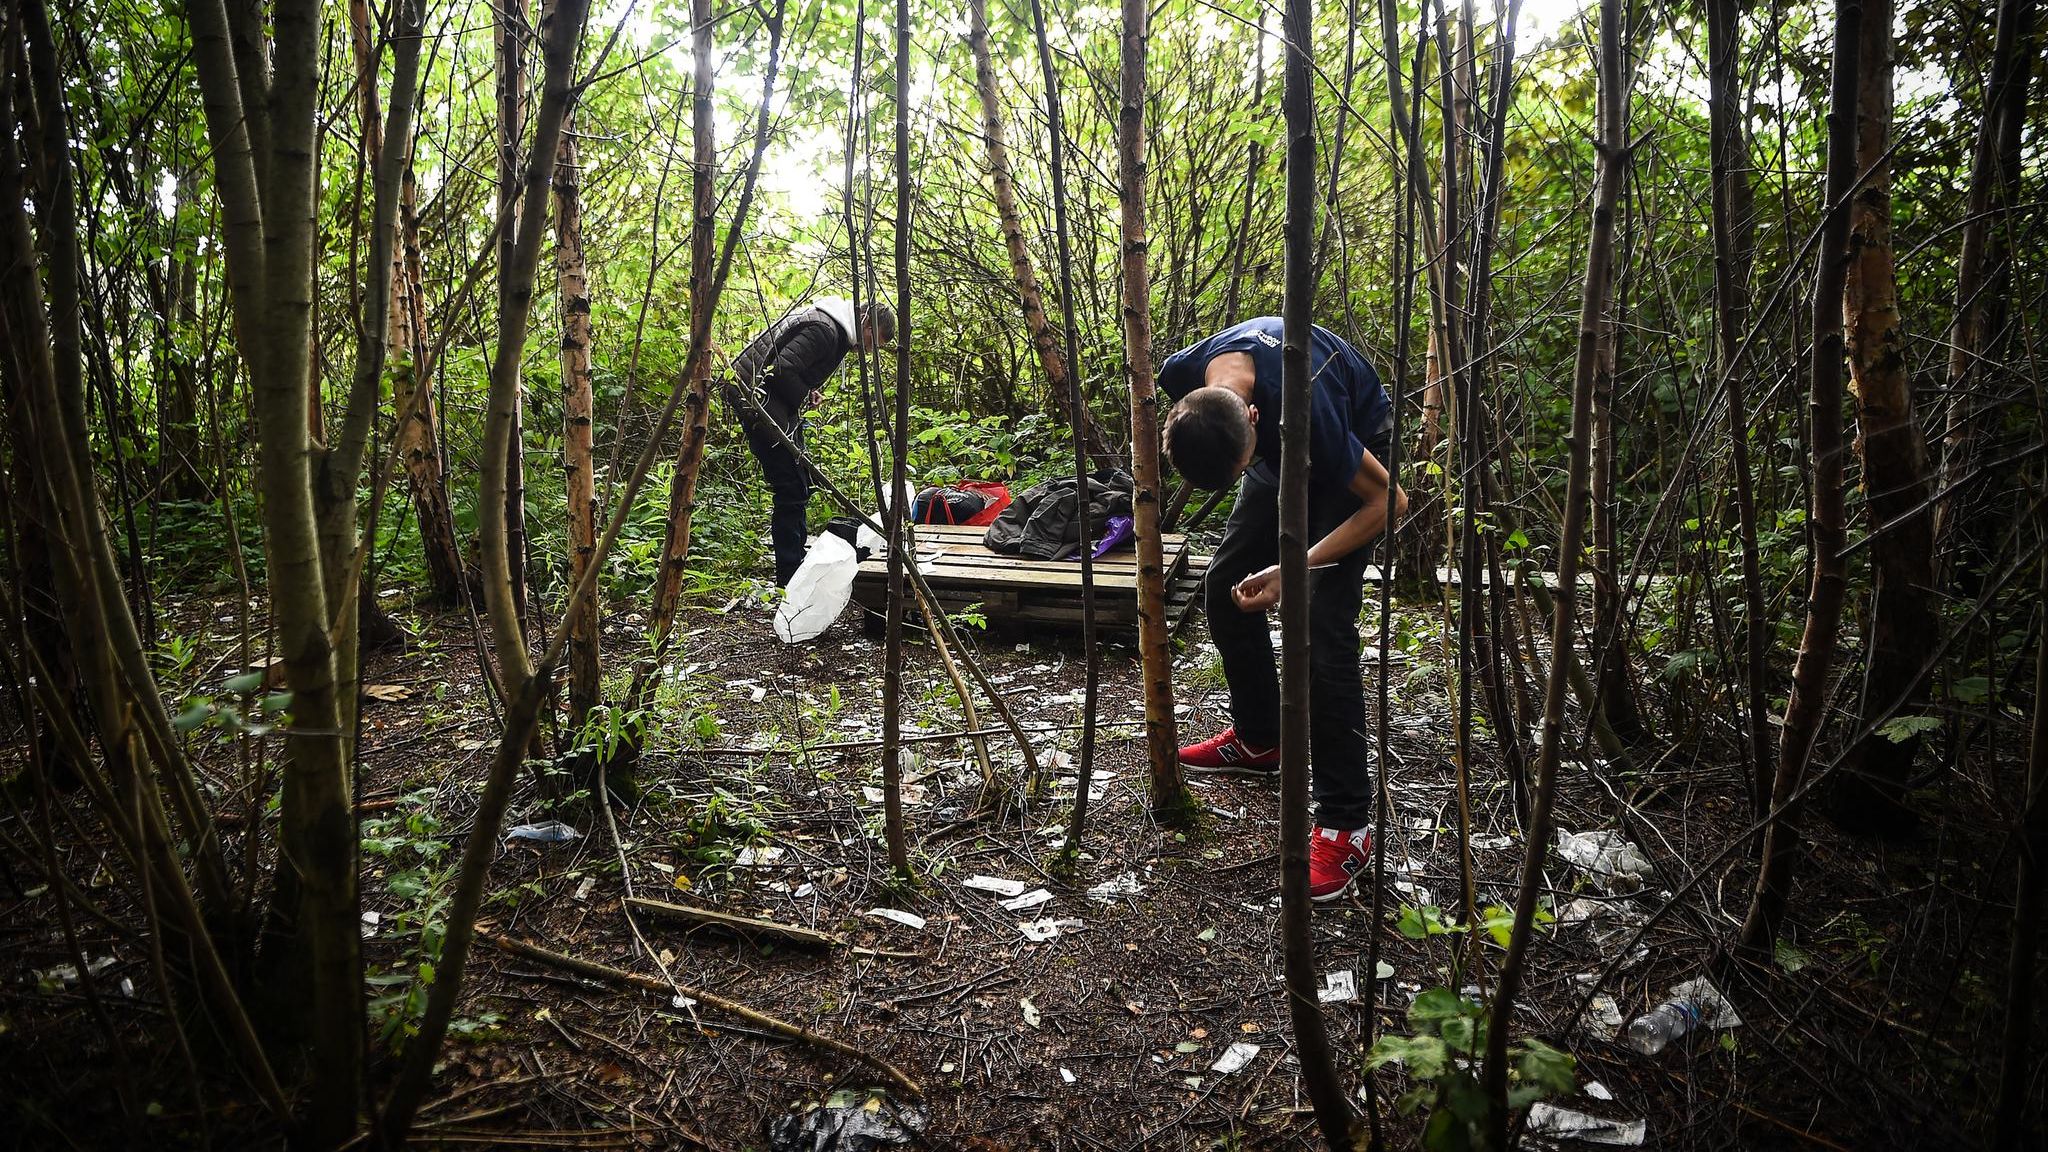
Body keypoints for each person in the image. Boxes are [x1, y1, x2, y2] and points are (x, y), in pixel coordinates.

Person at [1158, 316, 1406, 902]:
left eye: (1242, 465)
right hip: (1275, 454)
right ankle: (1260, 737)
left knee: (1322, 632)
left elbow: (1388, 501)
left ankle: (1347, 825)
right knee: (1223, 588)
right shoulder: (1183, 378)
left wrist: (1292, 570)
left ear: (1253, 417)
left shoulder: (1309, 407)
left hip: (1356, 465)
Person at [727, 297, 896, 586]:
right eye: (872, 342)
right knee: (791, 487)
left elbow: (788, 365)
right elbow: (781, 369)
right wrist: (804, 395)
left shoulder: (832, 328)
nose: (869, 352)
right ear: (866, 322)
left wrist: (808, 391)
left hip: (768, 398)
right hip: (755, 397)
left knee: (800, 480)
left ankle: (793, 567)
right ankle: (790, 578)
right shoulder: (825, 330)